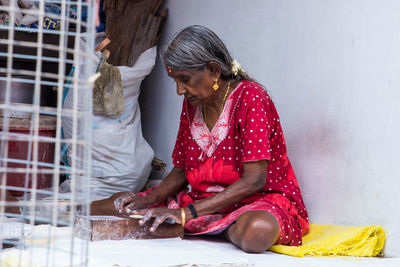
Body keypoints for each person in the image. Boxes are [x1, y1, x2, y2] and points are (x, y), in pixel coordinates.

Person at [115, 25, 310, 254]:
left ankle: (219, 226)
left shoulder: (251, 97)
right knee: (124, 204)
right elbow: (180, 172)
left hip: (255, 202)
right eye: (175, 80)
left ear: (214, 71)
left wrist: (186, 214)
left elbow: (255, 181)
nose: (179, 90)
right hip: (201, 201)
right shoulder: (193, 102)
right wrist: (146, 201)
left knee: (257, 231)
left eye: (185, 79)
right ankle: (66, 209)